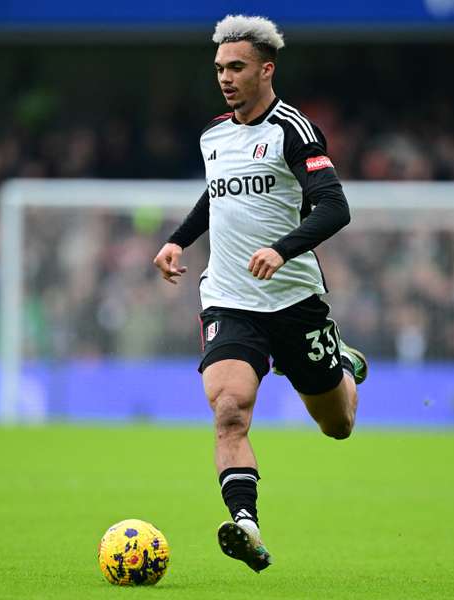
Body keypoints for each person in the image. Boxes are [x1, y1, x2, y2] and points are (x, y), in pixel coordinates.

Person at [152, 14, 367, 573]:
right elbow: (216, 196)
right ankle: (245, 521)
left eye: (237, 67)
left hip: (294, 301)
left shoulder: (293, 129)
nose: (225, 77)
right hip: (228, 297)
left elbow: (335, 207)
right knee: (228, 409)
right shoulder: (214, 135)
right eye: (220, 68)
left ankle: (341, 365)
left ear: (266, 70)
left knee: (337, 424)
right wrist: (178, 241)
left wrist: (283, 249)